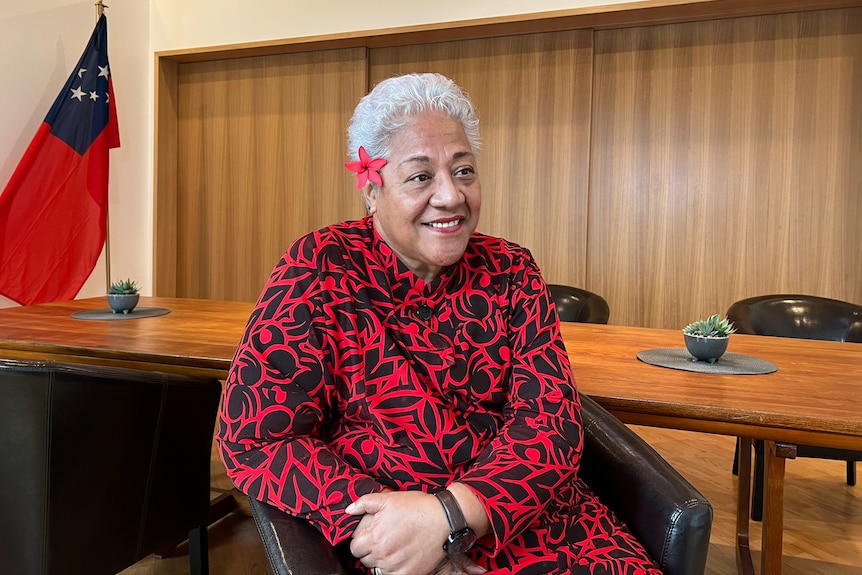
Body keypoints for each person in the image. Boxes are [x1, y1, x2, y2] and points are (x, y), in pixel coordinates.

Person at [218, 72, 661, 575]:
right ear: (370, 186)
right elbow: (258, 440)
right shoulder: (319, 267)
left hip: (525, 517)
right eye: (420, 176)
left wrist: (450, 517)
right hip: (389, 526)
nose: (451, 197)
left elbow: (549, 421)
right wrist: (393, 533)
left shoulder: (512, 269)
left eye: (464, 171)